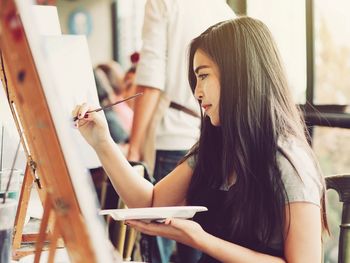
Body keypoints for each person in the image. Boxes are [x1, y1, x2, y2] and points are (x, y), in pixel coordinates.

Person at [73, 17, 328, 263]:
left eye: (203, 76)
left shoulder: (289, 162)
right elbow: (150, 202)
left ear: (240, 73)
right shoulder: (217, 147)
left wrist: (201, 240)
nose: (196, 92)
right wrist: (101, 141)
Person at [126, 0, 235, 261]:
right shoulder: (223, 10)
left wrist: (134, 145)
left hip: (172, 134)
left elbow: (151, 78)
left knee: (157, 237)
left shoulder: (163, 3)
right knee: (197, 245)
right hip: (206, 133)